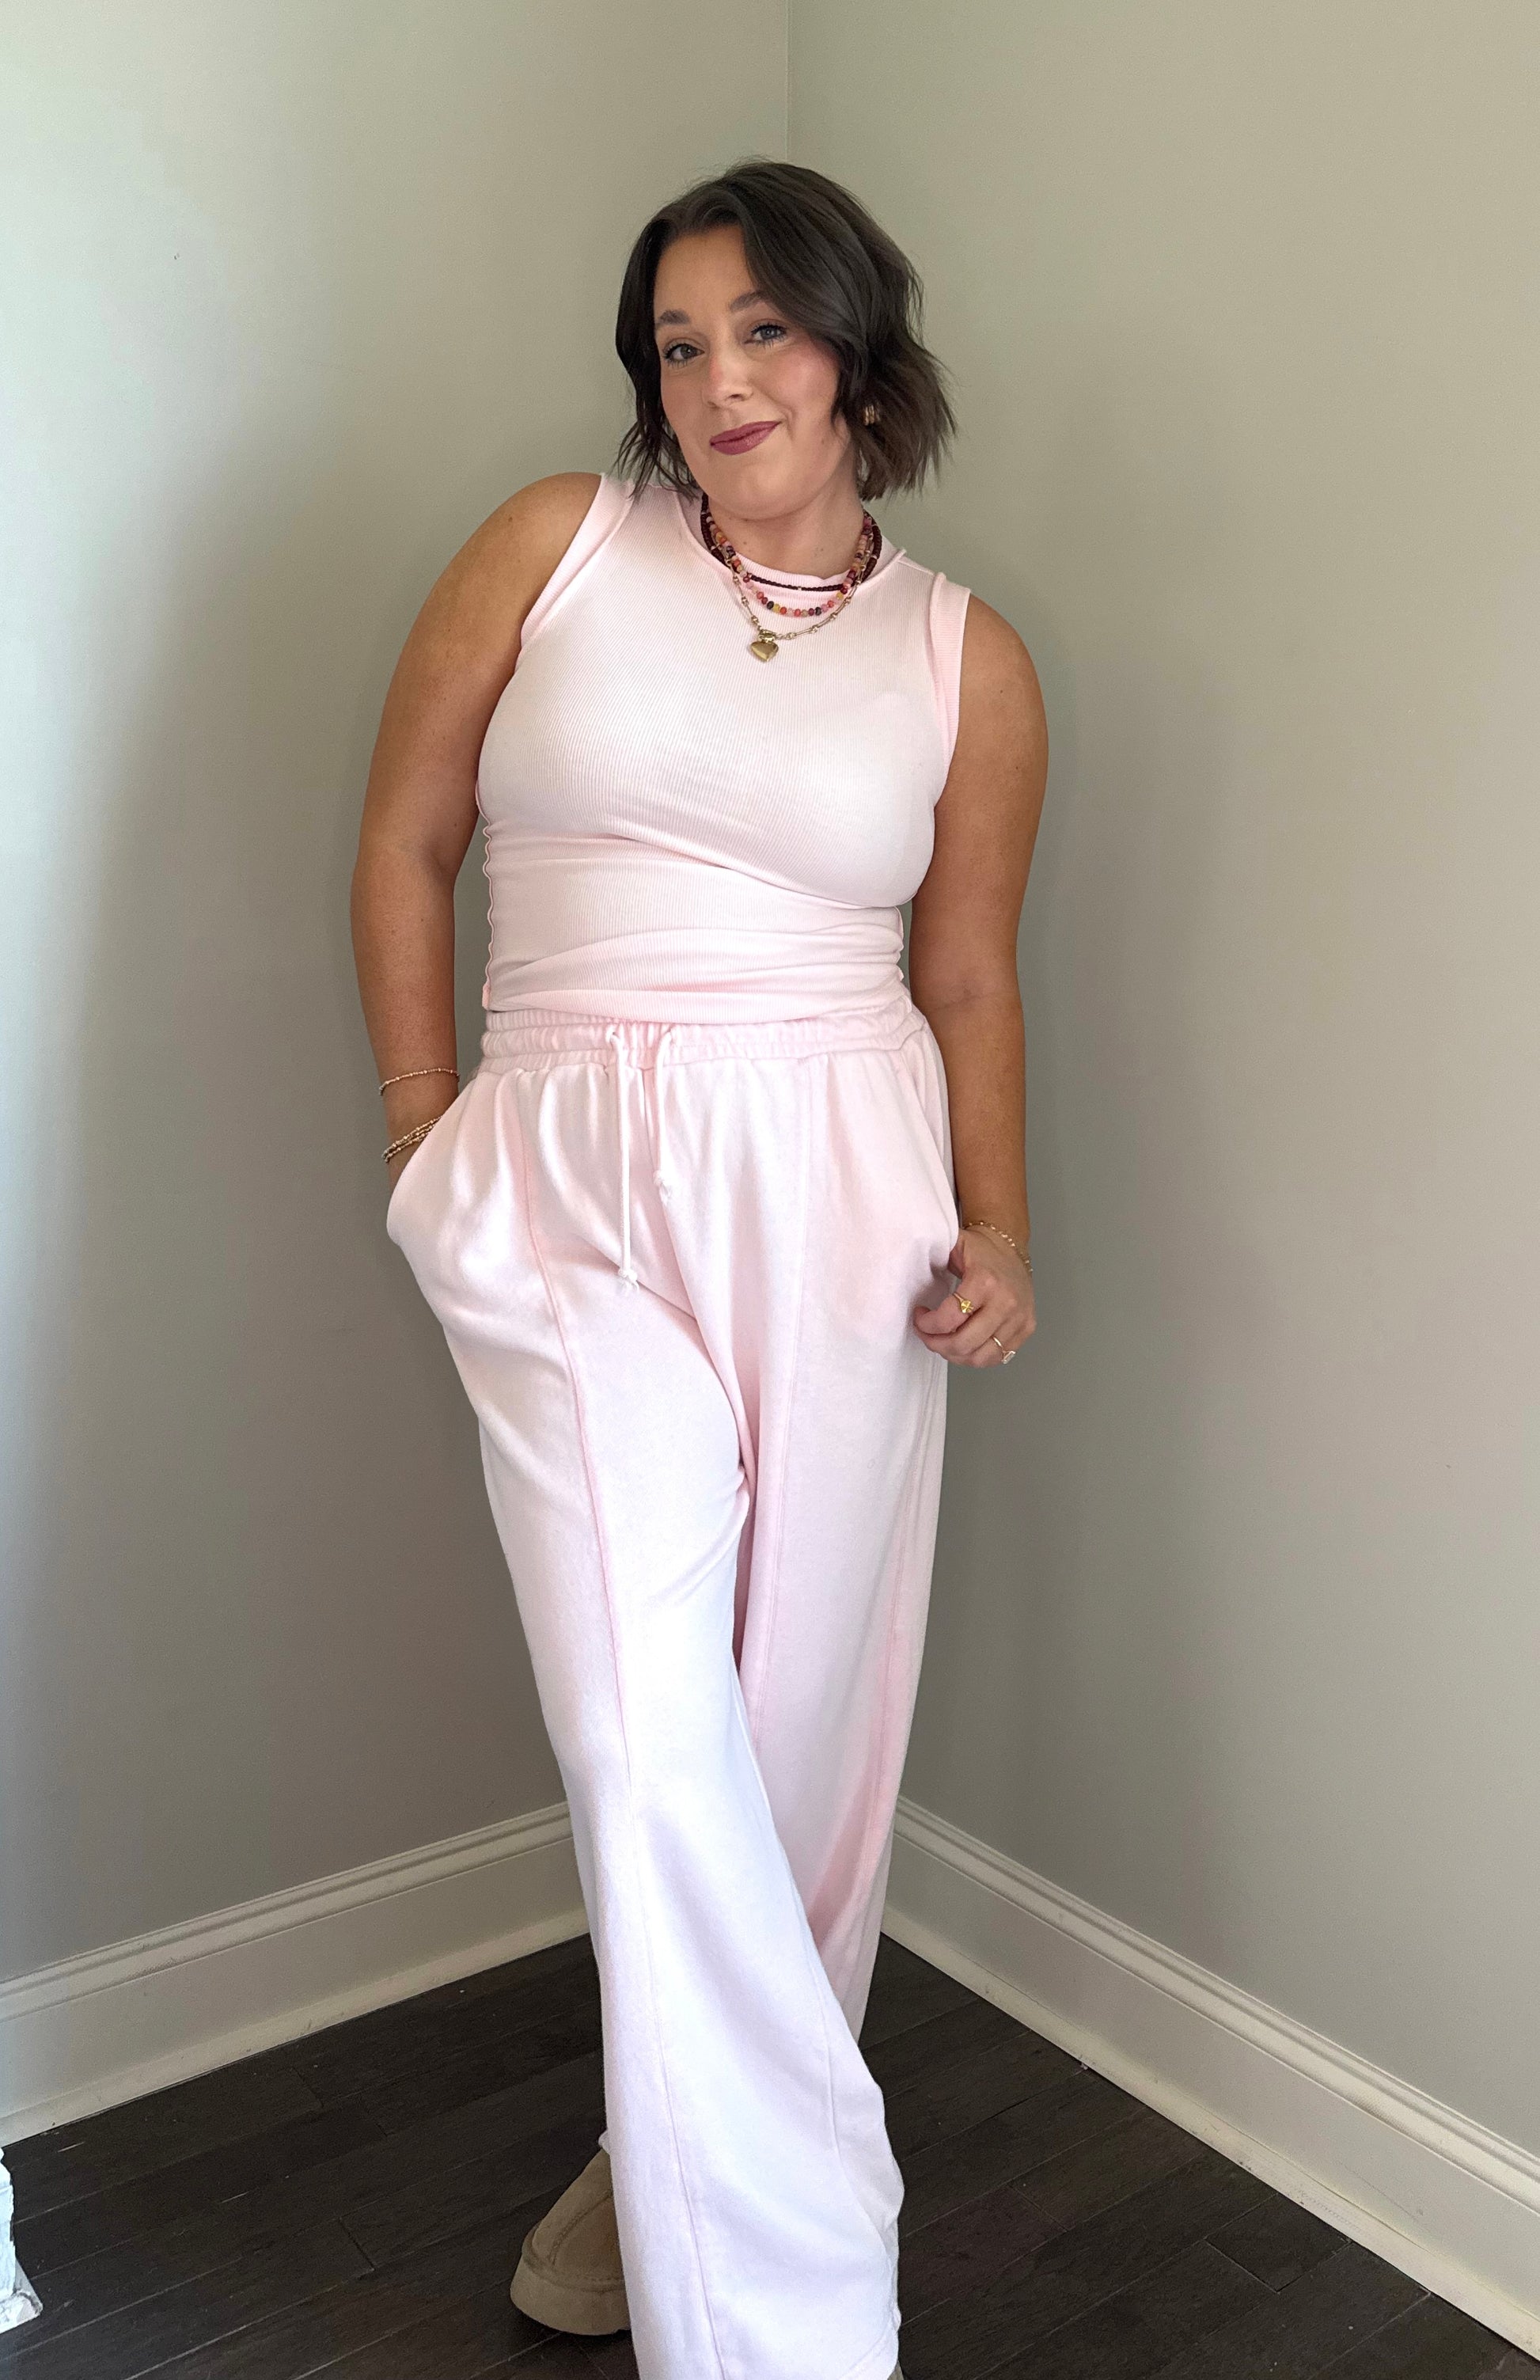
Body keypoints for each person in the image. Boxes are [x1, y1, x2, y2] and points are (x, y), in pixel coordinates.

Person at [351, 157, 1046, 2380]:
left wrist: (1001, 1223)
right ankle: (774, 2245)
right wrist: (421, 1136)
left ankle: (664, 2151)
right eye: (677, 342)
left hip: (845, 1185)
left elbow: (966, 974)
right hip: (556, 1169)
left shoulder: (963, 657)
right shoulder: (555, 542)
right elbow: (406, 841)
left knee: (798, 1721)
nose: (719, 378)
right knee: (642, 1716)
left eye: (762, 328)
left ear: (856, 352)